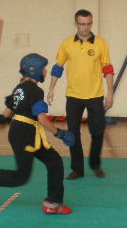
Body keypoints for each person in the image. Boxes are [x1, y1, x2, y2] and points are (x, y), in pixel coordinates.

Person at [0, 53, 74, 215]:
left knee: (54, 161)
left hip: (22, 131)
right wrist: (60, 133)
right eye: (43, 69)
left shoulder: (19, 88)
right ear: (34, 70)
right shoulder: (36, 91)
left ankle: (53, 203)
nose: (45, 72)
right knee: (21, 177)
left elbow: (6, 114)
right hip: (25, 134)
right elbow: (42, 119)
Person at [48, 9, 114, 180]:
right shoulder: (67, 43)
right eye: (82, 24)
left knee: (98, 132)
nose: (86, 27)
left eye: (89, 24)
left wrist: (110, 93)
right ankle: (77, 169)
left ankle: (95, 164)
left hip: (95, 96)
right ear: (75, 24)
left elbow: (108, 69)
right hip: (73, 96)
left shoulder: (101, 43)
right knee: (73, 134)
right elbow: (58, 67)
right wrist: (51, 89)